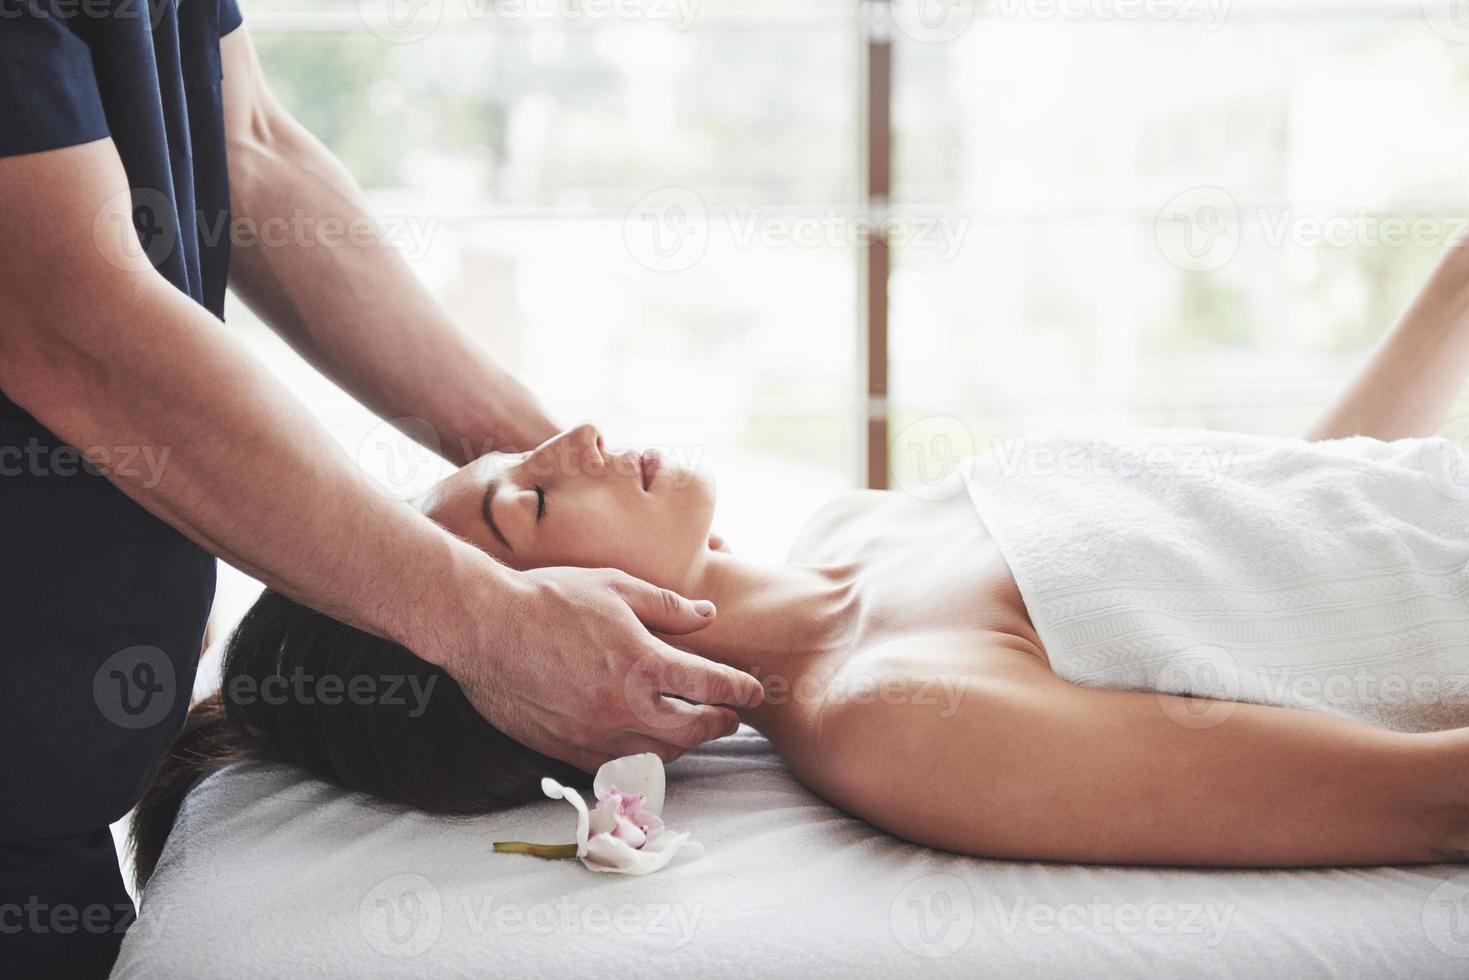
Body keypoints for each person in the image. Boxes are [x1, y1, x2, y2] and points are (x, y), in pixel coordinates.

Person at [132, 235, 1469, 888]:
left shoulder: (861, 531)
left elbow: (1308, 533)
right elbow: (1429, 800)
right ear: (549, 646)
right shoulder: (896, 717)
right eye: (528, 502)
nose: (575, 434)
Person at [0, 6, 760, 976]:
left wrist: (536, 466)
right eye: (521, 508)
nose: (581, 437)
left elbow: (254, 146)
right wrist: (495, 620)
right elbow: (73, 319)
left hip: (49, 803)